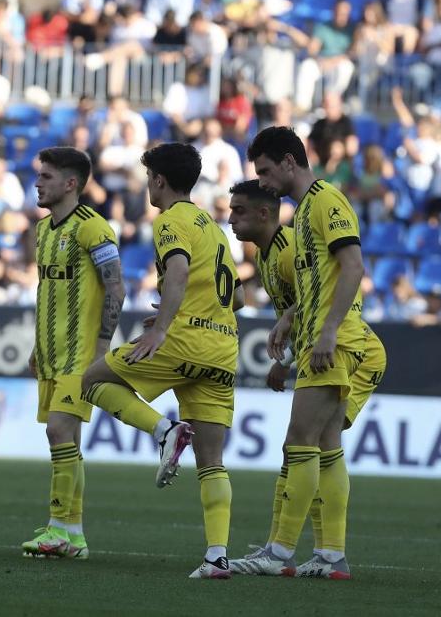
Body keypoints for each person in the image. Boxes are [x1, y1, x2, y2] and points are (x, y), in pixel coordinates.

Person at [79, 141, 240, 579]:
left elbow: (180, 271)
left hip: (183, 342)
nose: (147, 183)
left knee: (91, 380)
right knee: (213, 460)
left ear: (160, 180)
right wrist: (185, 309)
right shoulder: (213, 226)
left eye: (149, 176)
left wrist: (164, 326)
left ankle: (164, 430)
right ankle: (217, 556)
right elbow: (238, 296)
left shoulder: (169, 220)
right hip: (223, 349)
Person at [226, 180, 387, 577]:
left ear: (264, 214)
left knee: (301, 445)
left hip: (354, 347)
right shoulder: (266, 256)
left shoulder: (287, 250)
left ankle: (278, 553)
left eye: (238, 211)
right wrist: (287, 355)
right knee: (323, 446)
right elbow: (302, 308)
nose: (231, 218)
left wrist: (302, 326)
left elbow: (326, 292)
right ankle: (330, 556)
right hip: (341, 345)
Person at [20, 148, 123, 559]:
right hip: (50, 352)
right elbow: (49, 291)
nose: (38, 183)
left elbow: (116, 287)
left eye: (46, 176)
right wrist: (35, 347)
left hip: (80, 354)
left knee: (58, 431)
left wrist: (102, 348)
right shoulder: (43, 231)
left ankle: (58, 528)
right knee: (69, 442)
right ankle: (74, 535)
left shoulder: (93, 229)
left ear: (70, 184)